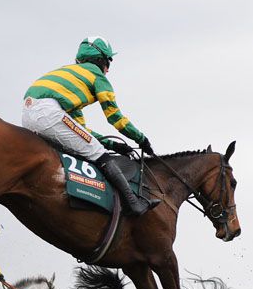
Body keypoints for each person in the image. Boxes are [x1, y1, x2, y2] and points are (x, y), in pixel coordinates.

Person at [22, 35, 160, 216]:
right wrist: (141, 139)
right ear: (100, 59)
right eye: (108, 63)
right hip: (48, 114)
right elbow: (115, 117)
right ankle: (134, 204)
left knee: (82, 148)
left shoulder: (70, 79)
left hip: (28, 114)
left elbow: (80, 131)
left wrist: (113, 144)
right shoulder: (97, 77)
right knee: (99, 154)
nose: (108, 70)